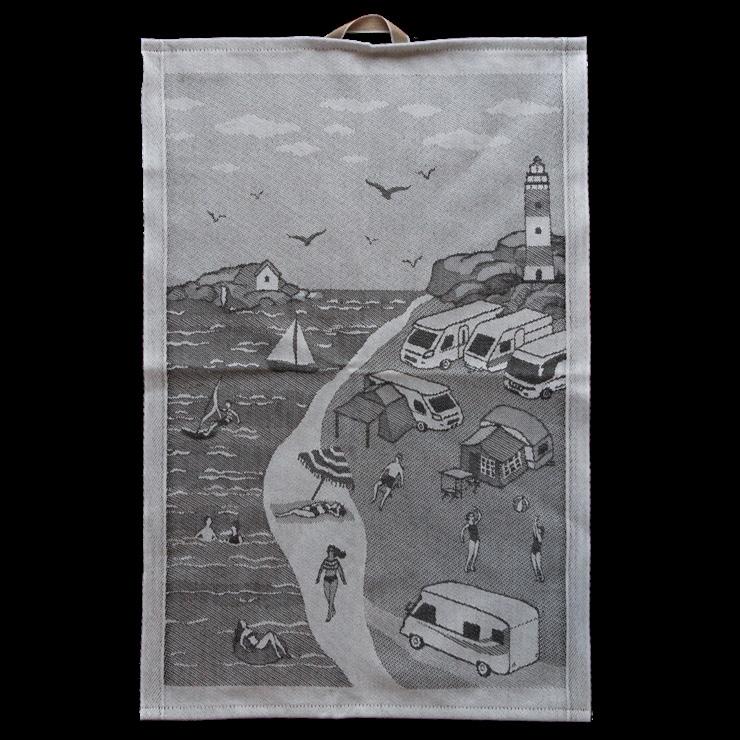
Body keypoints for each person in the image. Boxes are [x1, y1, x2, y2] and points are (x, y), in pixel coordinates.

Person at [315, 545, 347, 622]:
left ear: (334, 552)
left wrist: (343, 580)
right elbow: (321, 569)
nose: (330, 552)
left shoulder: (336, 561)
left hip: (334, 580)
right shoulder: (325, 561)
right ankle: (333, 609)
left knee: (332, 597)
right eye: (329, 551)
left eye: (332, 551)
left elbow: (340, 571)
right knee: (327, 597)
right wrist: (318, 578)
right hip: (326, 579)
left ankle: (329, 614)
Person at [460, 508, 482, 573]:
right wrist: (462, 537)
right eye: (471, 516)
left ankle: (472, 566)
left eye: (473, 516)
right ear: (469, 517)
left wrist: (477, 510)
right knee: (470, 554)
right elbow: (463, 530)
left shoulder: (475, 523)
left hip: (477, 540)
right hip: (472, 540)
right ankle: (466, 567)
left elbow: (479, 517)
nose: (472, 517)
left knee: (475, 554)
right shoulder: (468, 525)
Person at [275, 501, 346, 519]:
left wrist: (338, 509)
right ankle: (280, 515)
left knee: (294, 511)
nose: (336, 503)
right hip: (311, 508)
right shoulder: (328, 505)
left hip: (313, 513)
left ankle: (280, 515)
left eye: (337, 505)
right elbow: (316, 504)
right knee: (295, 510)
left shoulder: (330, 510)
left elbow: (337, 515)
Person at [531, 515, 545, 582]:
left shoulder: (540, 537)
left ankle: (542, 576)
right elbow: (534, 529)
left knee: (538, 565)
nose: (538, 530)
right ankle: (537, 576)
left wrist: (536, 527)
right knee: (534, 564)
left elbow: (538, 537)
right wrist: (535, 521)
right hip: (533, 549)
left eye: (539, 530)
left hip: (538, 550)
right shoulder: (536, 533)